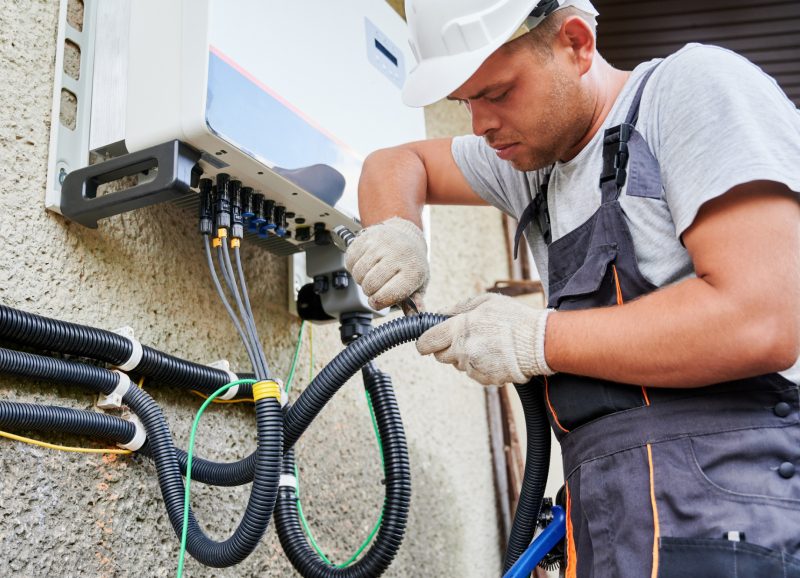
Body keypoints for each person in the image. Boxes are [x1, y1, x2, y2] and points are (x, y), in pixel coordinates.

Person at [344, 0, 800, 576]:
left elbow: (761, 318)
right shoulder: (536, 166)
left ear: (577, 44)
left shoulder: (689, 88)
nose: (479, 125)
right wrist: (398, 230)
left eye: (497, 93)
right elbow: (395, 162)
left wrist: (534, 340)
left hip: (733, 516)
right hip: (609, 523)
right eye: (464, 102)